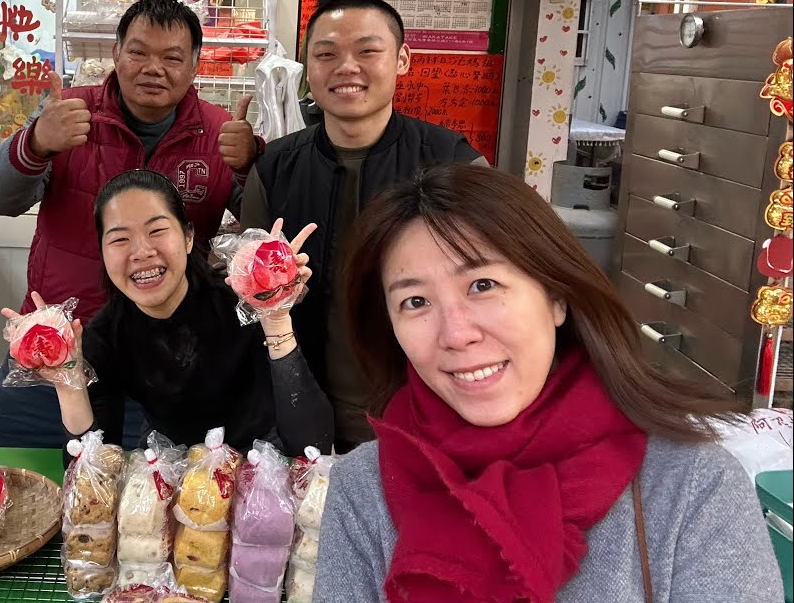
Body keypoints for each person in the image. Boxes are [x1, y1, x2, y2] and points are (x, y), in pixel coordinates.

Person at [314, 164, 783, 602]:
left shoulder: (691, 486)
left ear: (556, 297)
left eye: (482, 285)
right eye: (415, 301)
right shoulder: (365, 488)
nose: (456, 334)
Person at [0, 0, 263, 448]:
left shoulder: (220, 133)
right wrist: (36, 143)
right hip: (54, 352)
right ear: (116, 54)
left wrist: (251, 166)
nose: (153, 68)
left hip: (166, 365)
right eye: (138, 52)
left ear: (195, 66)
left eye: (172, 57)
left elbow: (264, 232)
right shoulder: (68, 114)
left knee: (141, 505)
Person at [241, 0, 487, 449]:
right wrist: (269, 294)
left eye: (368, 51)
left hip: (429, 414)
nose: (346, 67)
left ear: (402, 59)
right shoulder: (274, 169)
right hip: (300, 414)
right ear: (307, 68)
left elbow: (497, 284)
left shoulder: (453, 163)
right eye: (327, 54)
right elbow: (245, 297)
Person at [11, 170, 334, 456]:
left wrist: (276, 318)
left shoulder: (244, 303)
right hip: (169, 462)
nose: (141, 252)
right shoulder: (104, 335)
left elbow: (311, 445)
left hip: (260, 458)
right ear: (103, 254)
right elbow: (91, 469)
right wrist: (68, 385)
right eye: (120, 239)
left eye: (157, 231)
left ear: (189, 237)